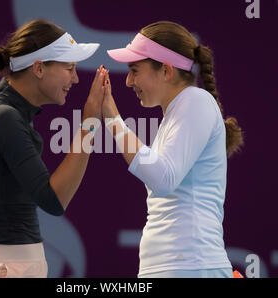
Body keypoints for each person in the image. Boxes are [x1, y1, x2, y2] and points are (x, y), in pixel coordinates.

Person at [0, 19, 108, 278]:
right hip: (6, 270)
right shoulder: (4, 117)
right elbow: (54, 200)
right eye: (70, 68)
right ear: (39, 68)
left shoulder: (6, 110)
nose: (75, 79)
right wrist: (90, 123)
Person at [102, 21, 244, 278]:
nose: (128, 81)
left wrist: (112, 118)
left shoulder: (196, 101)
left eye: (134, 70)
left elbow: (163, 179)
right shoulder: (180, 111)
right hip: (176, 269)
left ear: (166, 70)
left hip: (191, 267)